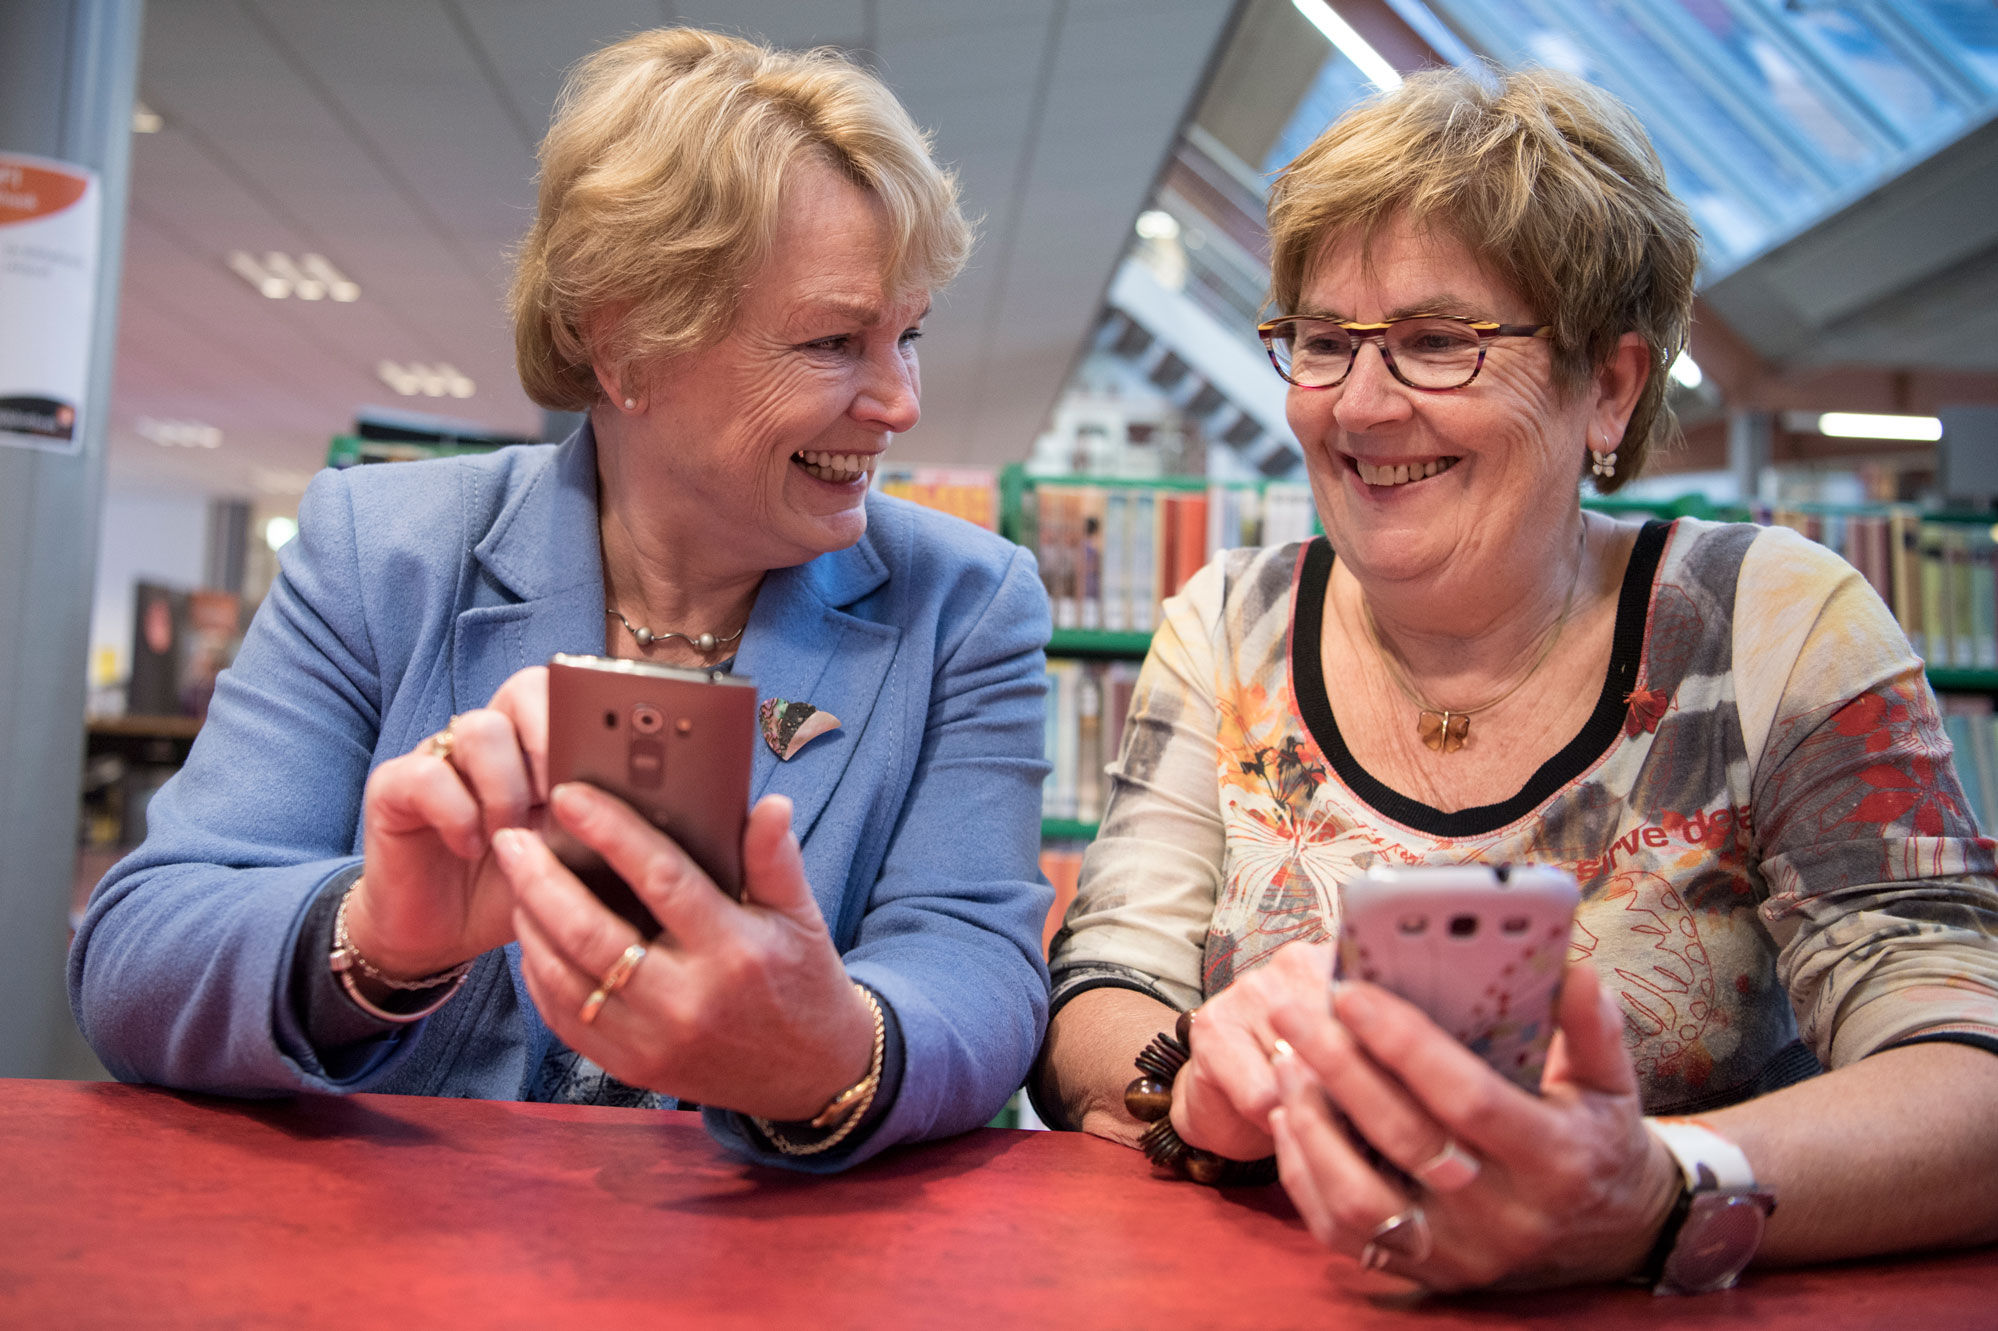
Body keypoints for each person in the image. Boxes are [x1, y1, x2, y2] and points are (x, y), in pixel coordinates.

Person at [1034, 67, 1998, 1287]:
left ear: (1609, 384)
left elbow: (1969, 1070)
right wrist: (1188, 1074)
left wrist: (1655, 1188)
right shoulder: (1231, 619)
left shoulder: (1776, 623)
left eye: (1439, 343)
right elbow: (1101, 987)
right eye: (1325, 342)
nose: (1363, 404)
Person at [70, 28, 1053, 1172]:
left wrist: (835, 1048)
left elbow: (976, 968)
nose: (899, 401)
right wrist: (375, 938)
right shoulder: (382, 551)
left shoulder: (967, 605)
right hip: (384, 1244)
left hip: (764, 1259)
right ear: (627, 343)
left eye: (909, 335)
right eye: (836, 341)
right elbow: (137, 953)